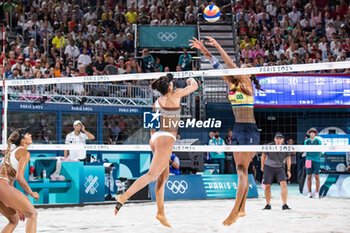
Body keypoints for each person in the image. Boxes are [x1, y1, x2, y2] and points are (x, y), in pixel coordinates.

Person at [190, 36, 261, 226]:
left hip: (249, 131)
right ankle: (243, 208)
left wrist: (220, 46)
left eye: (245, 69)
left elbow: (230, 66)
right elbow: (216, 66)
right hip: (238, 129)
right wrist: (204, 49)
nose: (241, 70)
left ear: (249, 75)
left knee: (241, 171)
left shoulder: (247, 86)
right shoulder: (233, 83)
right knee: (242, 170)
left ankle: (235, 211)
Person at [115, 74, 198, 227]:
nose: (173, 84)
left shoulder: (157, 101)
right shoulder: (175, 95)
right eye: (172, 82)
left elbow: (151, 124)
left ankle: (160, 213)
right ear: (170, 87)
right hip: (165, 139)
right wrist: (190, 79)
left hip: (155, 138)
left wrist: (153, 139)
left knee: (164, 176)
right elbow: (195, 86)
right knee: (152, 175)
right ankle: (124, 196)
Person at [0, 127, 39, 233]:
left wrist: (18, 205)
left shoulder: (13, 151)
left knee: (13, 220)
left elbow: (10, 182)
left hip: (3, 187)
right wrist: (31, 193)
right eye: (27, 134)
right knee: (32, 214)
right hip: (2, 186)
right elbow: (19, 177)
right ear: (22, 139)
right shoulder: (24, 152)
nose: (30, 135)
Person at [261, 132, 291, 210]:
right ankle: (268, 204)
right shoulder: (269, 146)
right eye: (277, 138)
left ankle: (284, 204)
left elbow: (288, 158)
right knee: (267, 186)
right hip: (269, 167)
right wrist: (262, 166)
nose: (278, 140)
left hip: (280, 167)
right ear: (274, 139)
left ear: (283, 140)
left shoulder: (285, 147)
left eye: (280, 138)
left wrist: (288, 170)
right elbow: (263, 156)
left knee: (284, 184)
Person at [304, 128, 322, 198]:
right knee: (309, 176)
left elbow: (321, 150)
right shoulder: (307, 141)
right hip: (308, 160)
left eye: (313, 133)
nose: (312, 134)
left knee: (317, 176)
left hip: (316, 160)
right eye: (311, 132)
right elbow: (305, 150)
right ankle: (309, 193)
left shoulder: (318, 141)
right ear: (309, 134)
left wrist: (317, 156)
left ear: (315, 134)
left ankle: (317, 193)